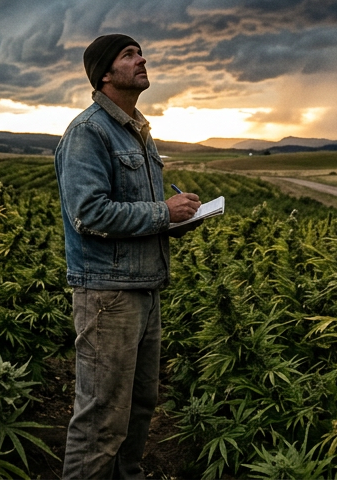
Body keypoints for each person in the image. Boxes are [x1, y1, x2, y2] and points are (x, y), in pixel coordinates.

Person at [54, 33, 202, 479]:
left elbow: (134, 213)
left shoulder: (138, 130)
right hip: (107, 296)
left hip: (144, 288)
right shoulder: (89, 133)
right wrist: (163, 212)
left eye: (140, 51)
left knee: (139, 407)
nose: (142, 59)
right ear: (104, 74)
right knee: (102, 418)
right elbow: (89, 213)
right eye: (129, 55)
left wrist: (174, 220)